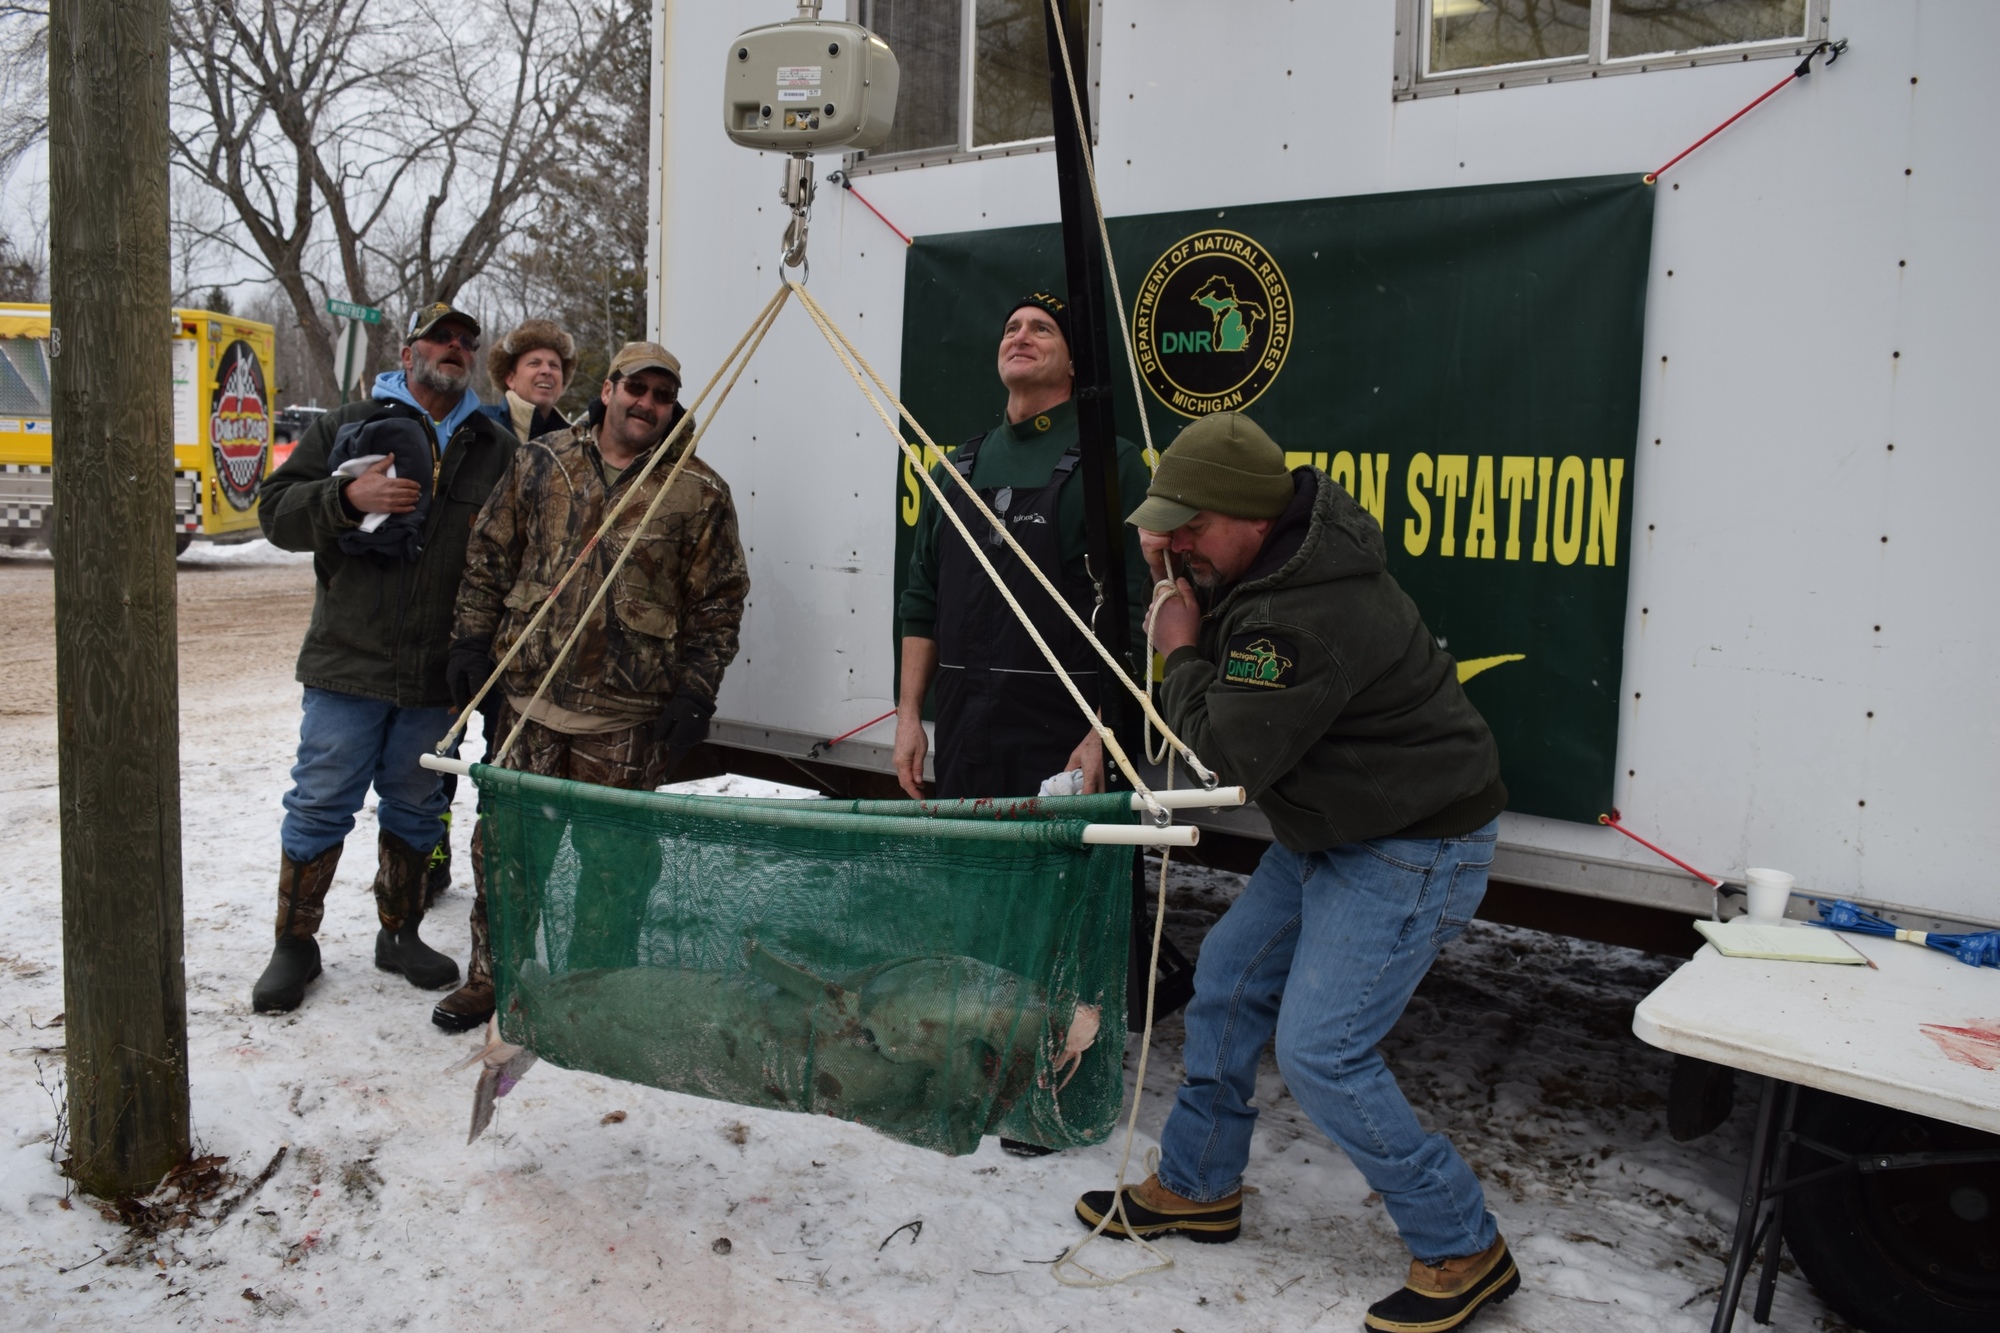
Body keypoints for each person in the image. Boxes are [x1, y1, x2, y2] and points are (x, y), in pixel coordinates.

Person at [1073, 412, 1517, 1333]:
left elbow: (1220, 760)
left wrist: (1179, 647)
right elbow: (1204, 587)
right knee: (1228, 978)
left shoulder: (1304, 615)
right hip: (1339, 823)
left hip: (1411, 842)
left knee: (1323, 1052)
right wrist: (1173, 566)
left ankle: (1463, 1243)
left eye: (1189, 529)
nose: (1174, 545)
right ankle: (1199, 1185)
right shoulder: (1265, 555)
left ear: (1245, 518)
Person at [430, 341, 749, 1033]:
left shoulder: (697, 489)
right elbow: (489, 555)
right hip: (529, 702)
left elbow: (718, 603)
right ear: (608, 390)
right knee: (507, 851)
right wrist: (469, 642)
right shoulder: (542, 463)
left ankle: (592, 988)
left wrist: (696, 691)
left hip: (628, 714)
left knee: (616, 865)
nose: (648, 404)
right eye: (637, 388)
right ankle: (495, 975)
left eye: (663, 395)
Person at [251, 301, 519, 1015]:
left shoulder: (494, 444)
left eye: (467, 341)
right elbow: (274, 513)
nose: (456, 349)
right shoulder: (345, 425)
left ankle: (398, 933)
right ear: (409, 353)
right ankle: (294, 944)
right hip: (350, 660)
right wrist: (346, 496)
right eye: (441, 338)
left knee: (418, 803)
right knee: (320, 799)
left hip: (439, 670)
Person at [892, 292, 1153, 801]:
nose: (1021, 336)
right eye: (1012, 328)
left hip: (1067, 754)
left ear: (1074, 362)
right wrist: (908, 719)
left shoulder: (1112, 465)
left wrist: (1105, 734)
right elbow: (921, 602)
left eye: (1041, 328)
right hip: (964, 746)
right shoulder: (955, 469)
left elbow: (1141, 615)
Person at [480, 319, 574, 443]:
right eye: (534, 363)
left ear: (562, 383)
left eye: (554, 365)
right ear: (510, 379)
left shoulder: (575, 442)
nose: (546, 370)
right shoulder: (479, 424)